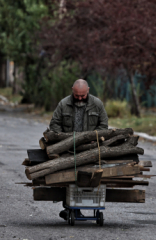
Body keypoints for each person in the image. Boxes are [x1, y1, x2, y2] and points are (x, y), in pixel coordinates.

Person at [49, 79, 108, 220]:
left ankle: (77, 207)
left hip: (90, 147)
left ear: (88, 90)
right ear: (72, 91)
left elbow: (104, 125)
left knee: (87, 175)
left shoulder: (97, 104)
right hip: (68, 148)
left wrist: (94, 137)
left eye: (83, 95)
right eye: (77, 96)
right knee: (69, 176)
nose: (80, 98)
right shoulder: (63, 104)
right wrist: (64, 140)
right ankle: (71, 207)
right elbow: (54, 124)